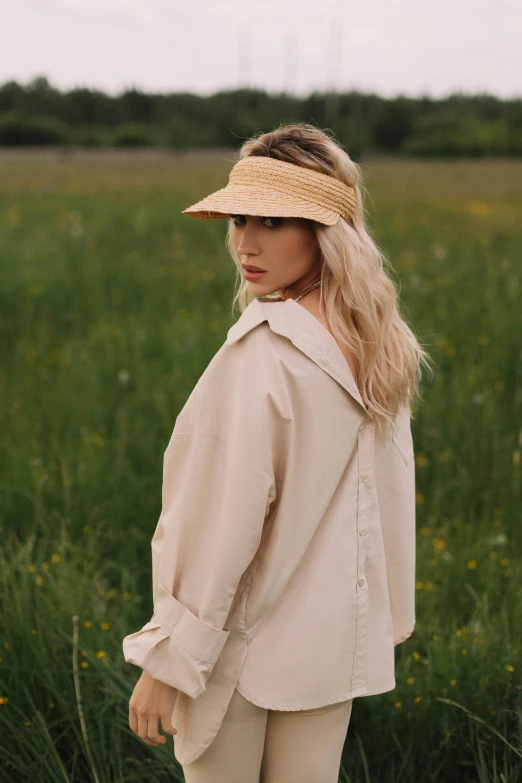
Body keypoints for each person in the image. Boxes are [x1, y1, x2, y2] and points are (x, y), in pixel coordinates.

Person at [122, 123, 433, 783]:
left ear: (324, 232)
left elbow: (220, 527)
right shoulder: (382, 348)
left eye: (273, 220)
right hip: (329, 649)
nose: (245, 241)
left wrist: (168, 659)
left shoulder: (263, 355)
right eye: (238, 218)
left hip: (236, 656)